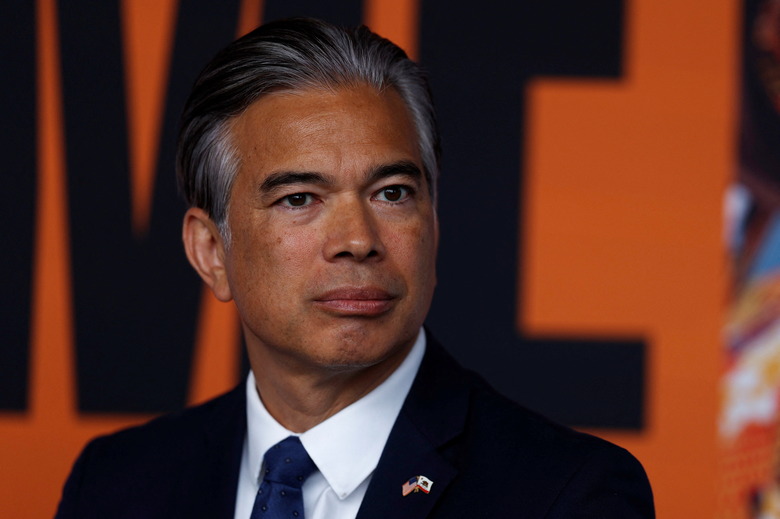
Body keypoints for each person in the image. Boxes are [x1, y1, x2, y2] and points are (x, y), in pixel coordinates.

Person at [55, 17, 654, 518]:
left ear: (434, 224)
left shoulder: (568, 494)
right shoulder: (114, 486)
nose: (357, 241)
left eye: (392, 193)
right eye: (299, 200)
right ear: (212, 252)